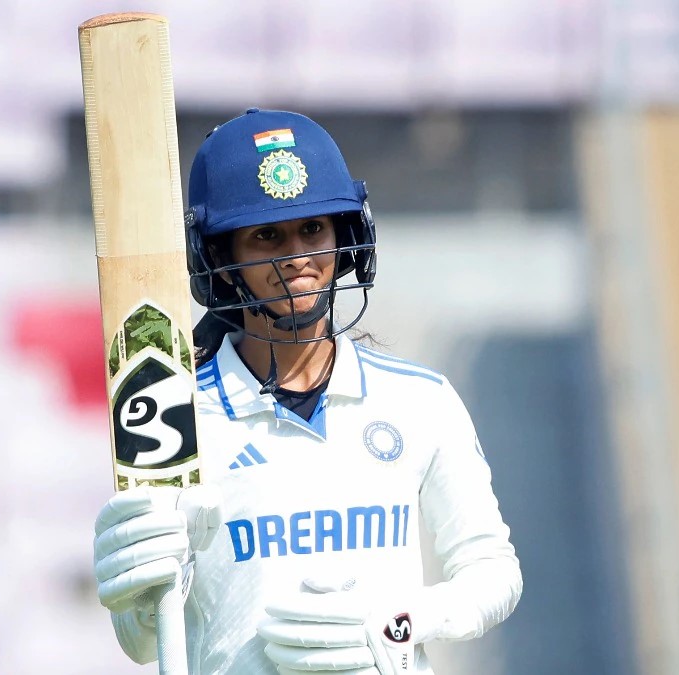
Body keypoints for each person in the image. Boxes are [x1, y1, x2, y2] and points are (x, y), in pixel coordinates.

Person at [92, 108, 522, 674]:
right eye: (266, 235)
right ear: (218, 259)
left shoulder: (420, 401)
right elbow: (143, 644)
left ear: (347, 236)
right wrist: (138, 595)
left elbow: (492, 570)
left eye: (313, 229)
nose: (296, 257)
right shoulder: (177, 417)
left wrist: (404, 620)